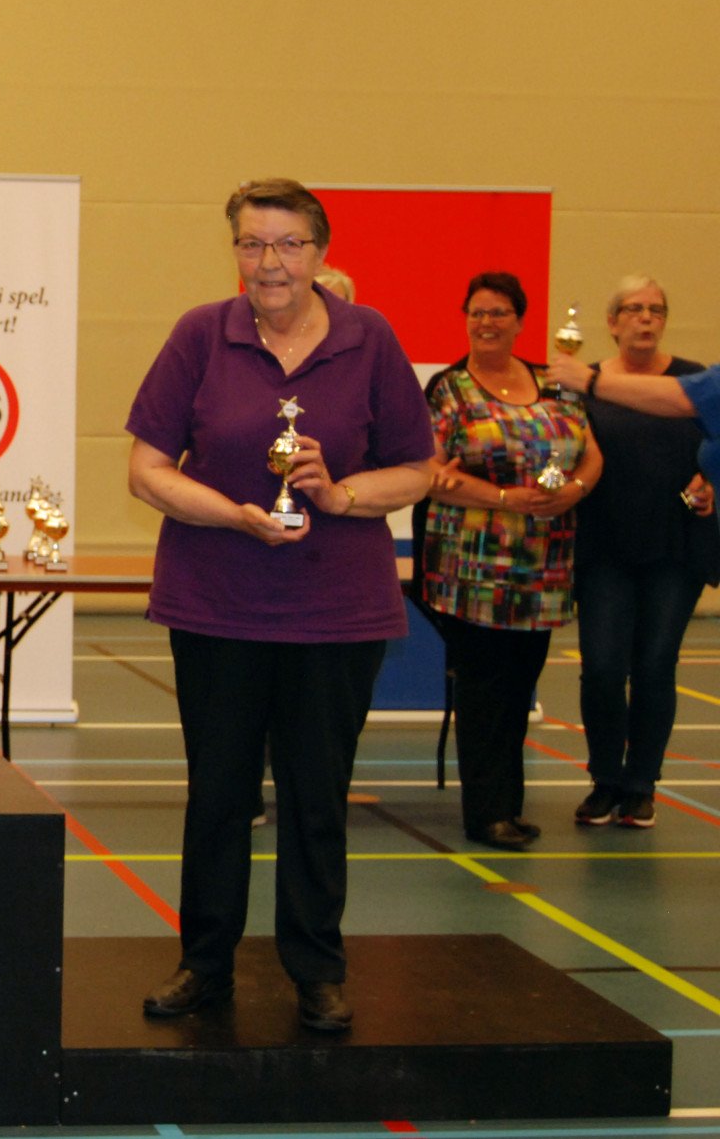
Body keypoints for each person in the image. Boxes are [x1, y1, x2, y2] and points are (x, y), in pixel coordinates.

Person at [126, 179, 433, 1032]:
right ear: (235, 252)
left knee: (316, 798)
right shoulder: (201, 334)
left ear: (320, 254)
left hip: (337, 614)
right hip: (216, 605)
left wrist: (338, 496)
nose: (270, 263)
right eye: (253, 244)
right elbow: (146, 470)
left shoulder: (370, 339)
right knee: (218, 796)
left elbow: (418, 469)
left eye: (289, 245)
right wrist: (234, 515)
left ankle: (317, 969)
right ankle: (204, 963)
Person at [421, 272, 601, 852]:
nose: (487, 323)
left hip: (542, 568)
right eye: (477, 312)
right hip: (473, 569)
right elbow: (430, 472)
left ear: (520, 321)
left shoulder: (554, 383)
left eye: (498, 312)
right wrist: (503, 498)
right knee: (484, 692)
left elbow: (591, 454)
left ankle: (509, 807)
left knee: (520, 687)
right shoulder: (450, 389)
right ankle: (487, 814)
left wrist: (573, 490)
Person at [547, 283, 719, 827]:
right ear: (612, 321)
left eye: (655, 310)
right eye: (634, 309)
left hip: (674, 544)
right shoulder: (585, 381)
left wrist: (708, 483)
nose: (645, 318)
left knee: (655, 664)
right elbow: (563, 447)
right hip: (604, 544)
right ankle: (605, 780)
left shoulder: (693, 381)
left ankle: (641, 784)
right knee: (601, 666)